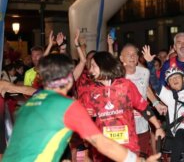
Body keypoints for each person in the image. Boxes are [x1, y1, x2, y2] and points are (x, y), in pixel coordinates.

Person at [2, 54, 161, 162]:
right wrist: (139, 160)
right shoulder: (67, 106)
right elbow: (101, 143)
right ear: (70, 79)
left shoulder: (29, 105)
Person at [85, 51, 165, 161]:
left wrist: (158, 127)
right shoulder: (92, 91)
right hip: (103, 151)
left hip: (127, 148)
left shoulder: (125, 86)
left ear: (104, 65)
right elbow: (88, 117)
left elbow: (144, 107)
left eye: (93, 66)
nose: (90, 70)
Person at [119, 44, 167, 156]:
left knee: (142, 155)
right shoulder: (117, 76)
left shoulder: (144, 72)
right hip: (124, 126)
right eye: (128, 54)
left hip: (142, 123)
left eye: (134, 54)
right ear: (121, 59)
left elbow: (146, 89)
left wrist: (156, 104)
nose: (132, 57)